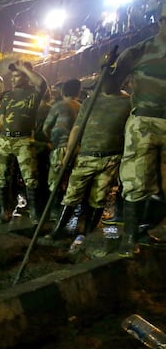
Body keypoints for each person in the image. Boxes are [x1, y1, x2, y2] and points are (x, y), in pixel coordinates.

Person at [110, 2, 166, 256]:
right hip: (143, 123)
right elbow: (110, 87)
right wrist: (108, 68)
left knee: (160, 186)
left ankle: (145, 229)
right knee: (135, 180)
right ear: (160, 22)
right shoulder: (138, 52)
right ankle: (129, 238)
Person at [47, 77, 131, 240]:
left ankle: (87, 233)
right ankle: (58, 230)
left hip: (111, 158)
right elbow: (77, 128)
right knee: (72, 194)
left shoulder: (129, 102)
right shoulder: (90, 102)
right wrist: (69, 154)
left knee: (99, 198)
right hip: (86, 155)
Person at [0, 62, 47, 223]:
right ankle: (4, 212)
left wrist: (25, 68)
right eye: (11, 76)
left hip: (23, 140)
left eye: (17, 76)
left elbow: (42, 84)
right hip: (4, 140)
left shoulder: (33, 93)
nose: (13, 79)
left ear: (26, 77)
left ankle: (34, 213)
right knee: (2, 178)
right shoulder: (8, 96)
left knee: (30, 178)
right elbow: (1, 120)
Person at [43, 79, 82, 201]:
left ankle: (55, 210)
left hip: (60, 148)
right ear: (78, 92)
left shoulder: (59, 106)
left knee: (55, 181)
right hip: (77, 149)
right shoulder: (81, 107)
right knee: (70, 179)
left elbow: (46, 127)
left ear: (62, 91)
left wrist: (50, 141)